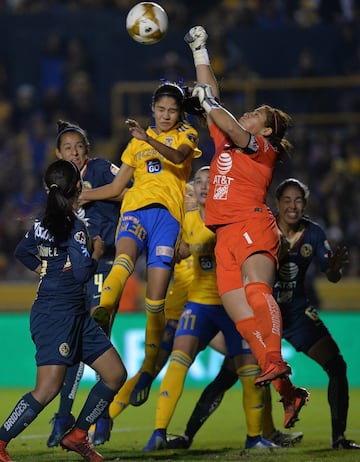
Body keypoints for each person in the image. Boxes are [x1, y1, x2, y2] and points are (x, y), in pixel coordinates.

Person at [166, 177, 359, 450]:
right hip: (260, 315)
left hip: (296, 313)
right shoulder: (260, 227)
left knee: (337, 366)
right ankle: (188, 435)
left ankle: (338, 439)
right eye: (287, 200)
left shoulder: (313, 233)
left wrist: (335, 270)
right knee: (230, 373)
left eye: (299, 200)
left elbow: (331, 274)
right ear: (277, 203)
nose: (293, 206)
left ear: (305, 204)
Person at [184, 25, 295, 388]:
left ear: (265, 131)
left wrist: (211, 105)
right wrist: (200, 50)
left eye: (254, 116)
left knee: (255, 290)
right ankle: (285, 388)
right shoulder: (230, 141)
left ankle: (276, 359)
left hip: (252, 224)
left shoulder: (264, 150)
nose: (246, 115)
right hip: (224, 237)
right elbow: (212, 100)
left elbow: (224, 118)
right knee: (241, 316)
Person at [80, 81, 201, 407]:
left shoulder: (186, 135)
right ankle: (102, 312)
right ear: (152, 109)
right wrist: (84, 194)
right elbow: (119, 187)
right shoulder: (135, 145)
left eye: (171, 110)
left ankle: (148, 366)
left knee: (155, 298)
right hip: (135, 210)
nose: (165, 115)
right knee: (124, 261)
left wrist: (147, 138)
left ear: (179, 113)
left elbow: (178, 158)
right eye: (160, 109)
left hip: (167, 219)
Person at [143, 166, 279, 452]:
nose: (204, 186)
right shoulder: (186, 221)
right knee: (179, 360)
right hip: (200, 305)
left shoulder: (234, 218)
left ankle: (254, 437)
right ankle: (158, 432)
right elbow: (175, 252)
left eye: (211, 181)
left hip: (234, 305)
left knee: (249, 369)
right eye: (200, 182)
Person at [0, 159, 127, 462]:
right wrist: (96, 252)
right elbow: (84, 274)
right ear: (79, 188)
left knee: (114, 374)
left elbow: (22, 252)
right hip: (57, 315)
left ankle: (78, 434)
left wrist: (47, 271)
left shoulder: (42, 224)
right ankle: (1, 439)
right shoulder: (76, 228)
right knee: (47, 390)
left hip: (75, 315)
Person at [46, 120, 122, 448]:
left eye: (79, 146)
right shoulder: (58, 184)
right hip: (73, 268)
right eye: (68, 148)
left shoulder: (102, 168)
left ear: (87, 149)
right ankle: (65, 417)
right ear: (58, 153)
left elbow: (128, 191)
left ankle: (100, 418)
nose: (74, 152)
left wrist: (88, 195)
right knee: (75, 344)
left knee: (98, 338)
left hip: (104, 263)